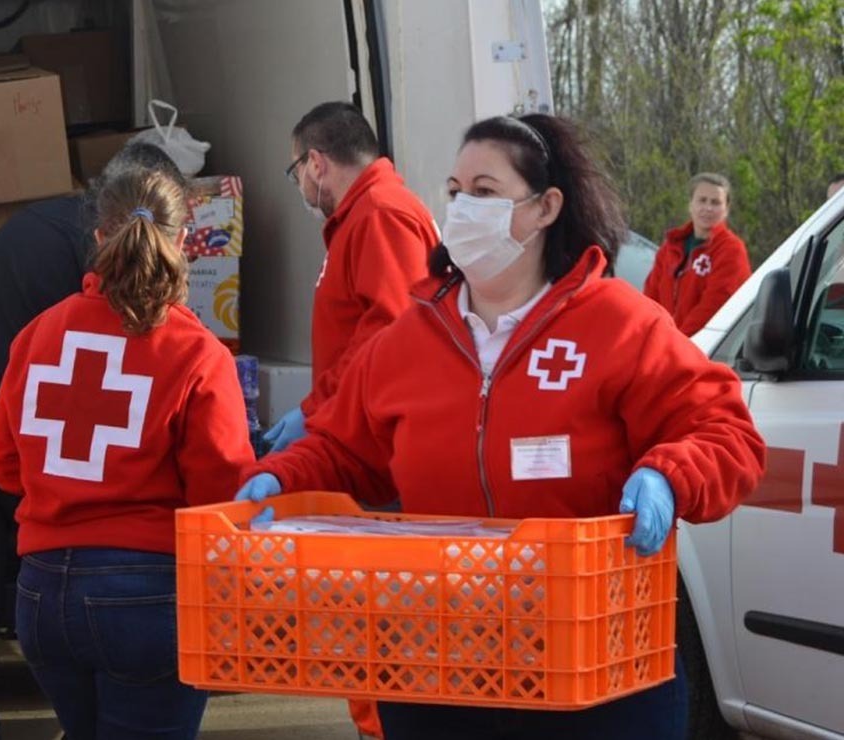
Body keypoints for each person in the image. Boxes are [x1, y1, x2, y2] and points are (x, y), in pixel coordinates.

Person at [237, 114, 766, 740]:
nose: (463, 209)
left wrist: (669, 476)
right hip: (443, 670)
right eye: (456, 192)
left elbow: (728, 433)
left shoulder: (620, 325)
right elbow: (343, 448)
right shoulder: (406, 341)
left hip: (601, 673)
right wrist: (279, 477)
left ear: (546, 208)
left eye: (485, 193)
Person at [0, 156, 255, 740]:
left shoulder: (38, 335)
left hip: (40, 593)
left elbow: (5, 465)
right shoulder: (198, 353)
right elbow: (223, 496)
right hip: (147, 598)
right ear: (185, 240)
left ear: (99, 236)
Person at [0, 144, 181, 740]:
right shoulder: (98, 247)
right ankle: (83, 719)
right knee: (72, 566)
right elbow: (112, 353)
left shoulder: (43, 219)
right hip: (1, 418)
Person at [265, 102, 439, 455]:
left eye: (295, 172)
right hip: (358, 431)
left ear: (315, 163)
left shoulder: (380, 215)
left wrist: (315, 409)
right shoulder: (362, 216)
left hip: (380, 447)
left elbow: (390, 332)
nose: (299, 186)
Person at [643, 172, 750, 336]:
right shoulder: (670, 247)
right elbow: (650, 298)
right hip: (663, 343)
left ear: (726, 209)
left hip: (704, 347)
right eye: (702, 200)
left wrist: (677, 342)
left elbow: (714, 305)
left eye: (715, 202)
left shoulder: (732, 250)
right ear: (690, 204)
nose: (707, 208)